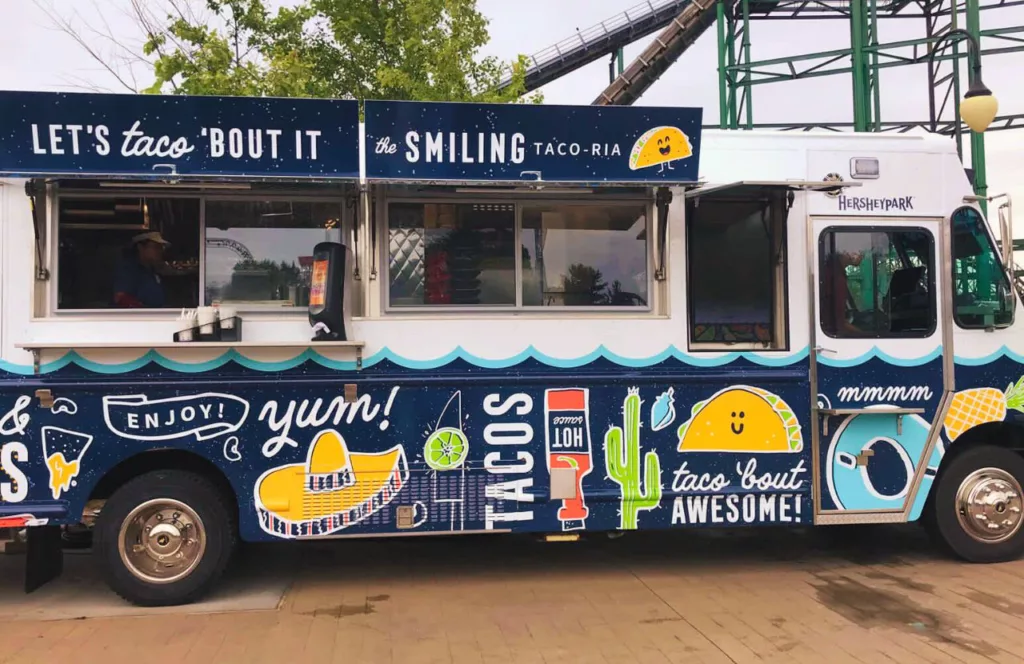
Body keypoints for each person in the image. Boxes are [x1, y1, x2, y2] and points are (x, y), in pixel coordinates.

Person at [112, 231, 172, 308]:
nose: (159, 251)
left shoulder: (152, 270)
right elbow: (120, 297)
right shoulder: (128, 269)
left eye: (161, 248)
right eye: (156, 247)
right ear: (140, 247)